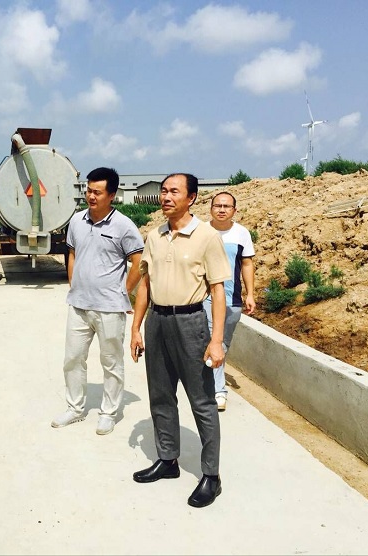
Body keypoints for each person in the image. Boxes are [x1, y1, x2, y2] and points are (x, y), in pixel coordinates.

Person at [130, 173, 231, 508]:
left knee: (202, 401)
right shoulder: (154, 236)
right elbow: (144, 284)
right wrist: (136, 328)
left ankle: (211, 475)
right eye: (163, 191)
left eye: (174, 191)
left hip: (191, 323)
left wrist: (216, 340)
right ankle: (168, 459)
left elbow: (218, 291)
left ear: (192, 198)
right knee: (160, 396)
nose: (166, 197)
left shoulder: (206, 237)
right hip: (157, 322)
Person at [52, 167, 144, 436]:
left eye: (97, 192)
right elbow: (72, 253)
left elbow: (139, 261)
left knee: (111, 362)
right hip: (79, 305)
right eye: (88, 191)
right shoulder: (76, 221)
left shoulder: (123, 226)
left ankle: (108, 413)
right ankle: (75, 408)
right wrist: (73, 282)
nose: (91, 196)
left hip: (109, 308)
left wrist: (123, 292)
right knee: (72, 358)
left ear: (112, 195)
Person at [203, 191, 256, 411]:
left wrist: (250, 294)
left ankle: (209, 379)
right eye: (218, 205)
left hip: (231, 298)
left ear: (234, 210)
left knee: (223, 342)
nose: (222, 210)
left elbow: (247, 264)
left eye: (226, 206)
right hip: (205, 297)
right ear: (211, 208)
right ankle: (218, 391)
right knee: (213, 338)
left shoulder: (241, 233)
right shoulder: (202, 232)